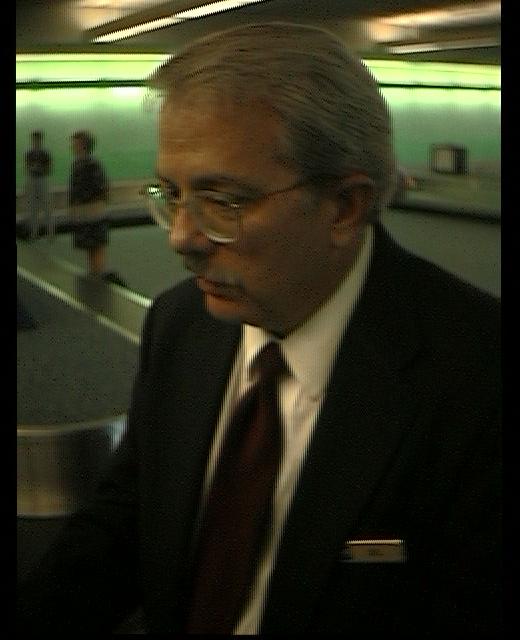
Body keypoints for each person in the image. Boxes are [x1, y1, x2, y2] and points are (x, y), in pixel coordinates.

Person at [17, 22, 502, 634]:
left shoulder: (477, 377)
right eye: (172, 194)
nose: (181, 238)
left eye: (225, 201)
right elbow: (130, 512)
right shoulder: (178, 324)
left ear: (345, 207)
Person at [68, 130, 110, 277]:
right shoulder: (79, 164)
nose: (72, 146)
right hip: (86, 212)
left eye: (75, 143)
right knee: (91, 246)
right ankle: (95, 273)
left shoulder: (90, 164)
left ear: (82, 145)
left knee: (95, 246)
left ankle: (97, 274)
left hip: (92, 211)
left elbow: (101, 188)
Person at [24, 130, 53, 239]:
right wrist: (31, 169)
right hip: (32, 180)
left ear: (40, 140)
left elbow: (49, 168)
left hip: (42, 180)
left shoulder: (46, 153)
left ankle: (50, 232)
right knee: (32, 207)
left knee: (46, 206)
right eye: (33, 139)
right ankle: (34, 233)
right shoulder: (29, 153)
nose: (35, 141)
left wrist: (40, 169)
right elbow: (26, 167)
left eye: (36, 139)